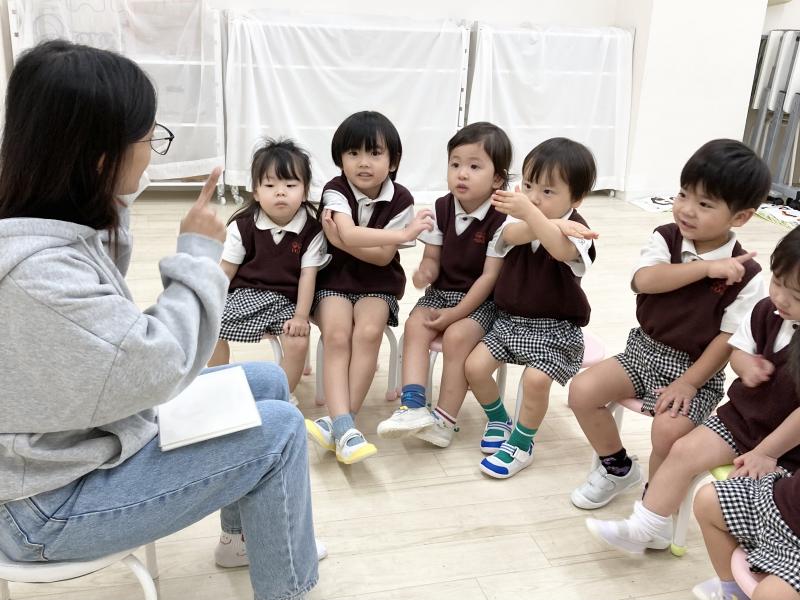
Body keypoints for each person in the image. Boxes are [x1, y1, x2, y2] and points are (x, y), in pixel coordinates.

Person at [0, 40, 319, 600]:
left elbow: (108, 310)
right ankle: (288, 589)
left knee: (266, 382)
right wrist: (197, 254)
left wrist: (110, 198)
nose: (154, 152)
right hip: (43, 508)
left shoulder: (34, 219)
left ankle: (246, 540)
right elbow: (159, 366)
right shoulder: (39, 276)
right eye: (150, 139)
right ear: (99, 156)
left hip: (68, 446)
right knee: (281, 430)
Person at [568, 139, 769, 510]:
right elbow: (645, 281)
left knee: (669, 431)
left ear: (740, 218)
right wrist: (706, 269)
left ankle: (653, 507)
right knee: (582, 392)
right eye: (683, 194)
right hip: (642, 350)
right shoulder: (666, 236)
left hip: (697, 371)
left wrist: (689, 382)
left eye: (705, 204)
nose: (687, 210)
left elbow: (728, 339)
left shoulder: (749, 274)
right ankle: (617, 468)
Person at [586, 227, 800, 557]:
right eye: (778, 282)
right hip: (741, 419)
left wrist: (768, 451)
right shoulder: (766, 311)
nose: (781, 298)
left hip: (788, 447)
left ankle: (752, 570)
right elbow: (739, 347)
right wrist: (747, 367)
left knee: (748, 498)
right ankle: (645, 527)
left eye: (796, 295)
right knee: (682, 451)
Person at [465, 137, 599, 478]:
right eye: (528, 185)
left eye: (548, 192)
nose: (535, 197)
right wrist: (545, 219)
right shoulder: (517, 219)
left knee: (536, 382)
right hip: (510, 322)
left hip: (557, 330)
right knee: (475, 367)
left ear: (577, 198)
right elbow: (512, 237)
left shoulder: (580, 231)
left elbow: (560, 249)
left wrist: (541, 219)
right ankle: (499, 419)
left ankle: (522, 443)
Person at [304, 111, 433, 464]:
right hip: (335, 278)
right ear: (340, 159)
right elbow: (351, 233)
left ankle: (341, 424)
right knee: (337, 335)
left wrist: (342, 241)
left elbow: (379, 257)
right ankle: (345, 428)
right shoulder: (335, 189)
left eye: (375, 154)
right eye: (354, 154)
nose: (364, 163)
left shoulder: (401, 198)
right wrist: (404, 234)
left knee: (369, 332)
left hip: (378, 282)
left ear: (392, 162)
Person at [375, 122, 511, 447]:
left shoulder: (501, 218)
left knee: (457, 336)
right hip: (442, 292)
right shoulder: (441, 207)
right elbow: (432, 258)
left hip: (481, 300)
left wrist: (455, 315)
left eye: (474, 166)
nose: (461, 174)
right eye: (455, 164)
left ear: (497, 179)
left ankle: (445, 419)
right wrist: (425, 271)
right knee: (415, 325)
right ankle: (412, 404)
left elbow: (489, 277)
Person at [208, 139, 329, 403]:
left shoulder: (312, 231)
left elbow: (308, 276)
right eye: (270, 185)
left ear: (305, 190)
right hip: (245, 294)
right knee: (209, 327)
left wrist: (300, 317)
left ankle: (282, 394)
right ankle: (219, 386)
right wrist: (208, 302)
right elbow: (225, 271)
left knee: (298, 340)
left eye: (290, 185)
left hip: (288, 300)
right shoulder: (242, 226)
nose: (280, 193)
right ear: (256, 191)